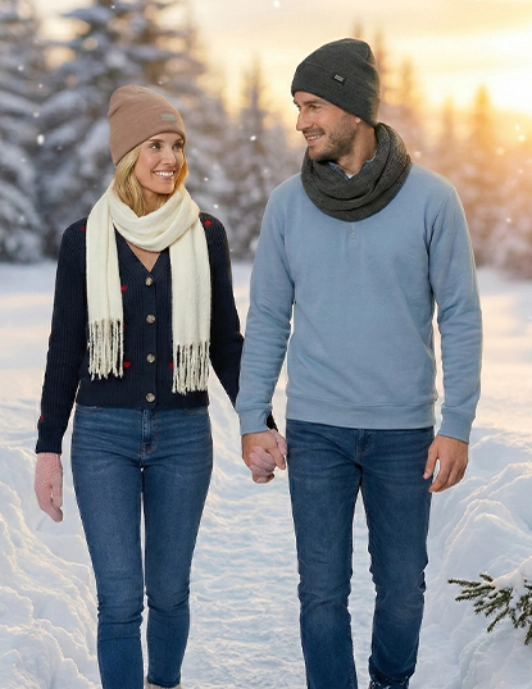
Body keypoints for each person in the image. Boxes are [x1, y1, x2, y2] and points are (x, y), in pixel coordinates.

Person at [236, 38, 483, 689]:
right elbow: (266, 317)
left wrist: (456, 422)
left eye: (313, 104)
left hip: (404, 432)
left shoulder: (433, 200)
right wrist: (252, 417)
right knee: (321, 591)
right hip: (315, 429)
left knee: (402, 588)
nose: (302, 120)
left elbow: (459, 314)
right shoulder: (288, 205)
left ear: (353, 108)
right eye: (297, 105)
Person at [34, 85, 244, 689]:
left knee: (170, 592)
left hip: (183, 434)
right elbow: (65, 348)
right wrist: (48, 447)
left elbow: (225, 341)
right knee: (121, 599)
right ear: (128, 154)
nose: (169, 158)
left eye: (177, 145)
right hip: (102, 435)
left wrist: (257, 420)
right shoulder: (84, 239)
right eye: (155, 144)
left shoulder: (205, 234)